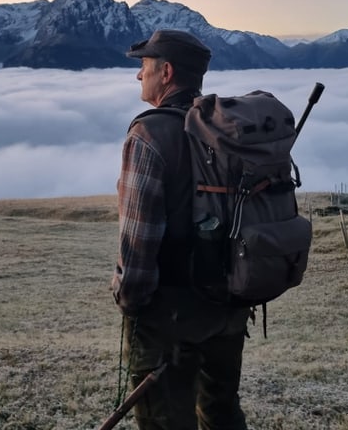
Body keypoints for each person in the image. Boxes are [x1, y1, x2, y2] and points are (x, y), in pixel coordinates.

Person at [111, 29, 252, 430]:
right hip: (229, 304)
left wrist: (130, 302)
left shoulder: (149, 135)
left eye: (144, 66)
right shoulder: (226, 130)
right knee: (221, 412)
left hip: (168, 317)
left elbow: (139, 242)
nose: (140, 76)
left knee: (165, 422)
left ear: (166, 72)